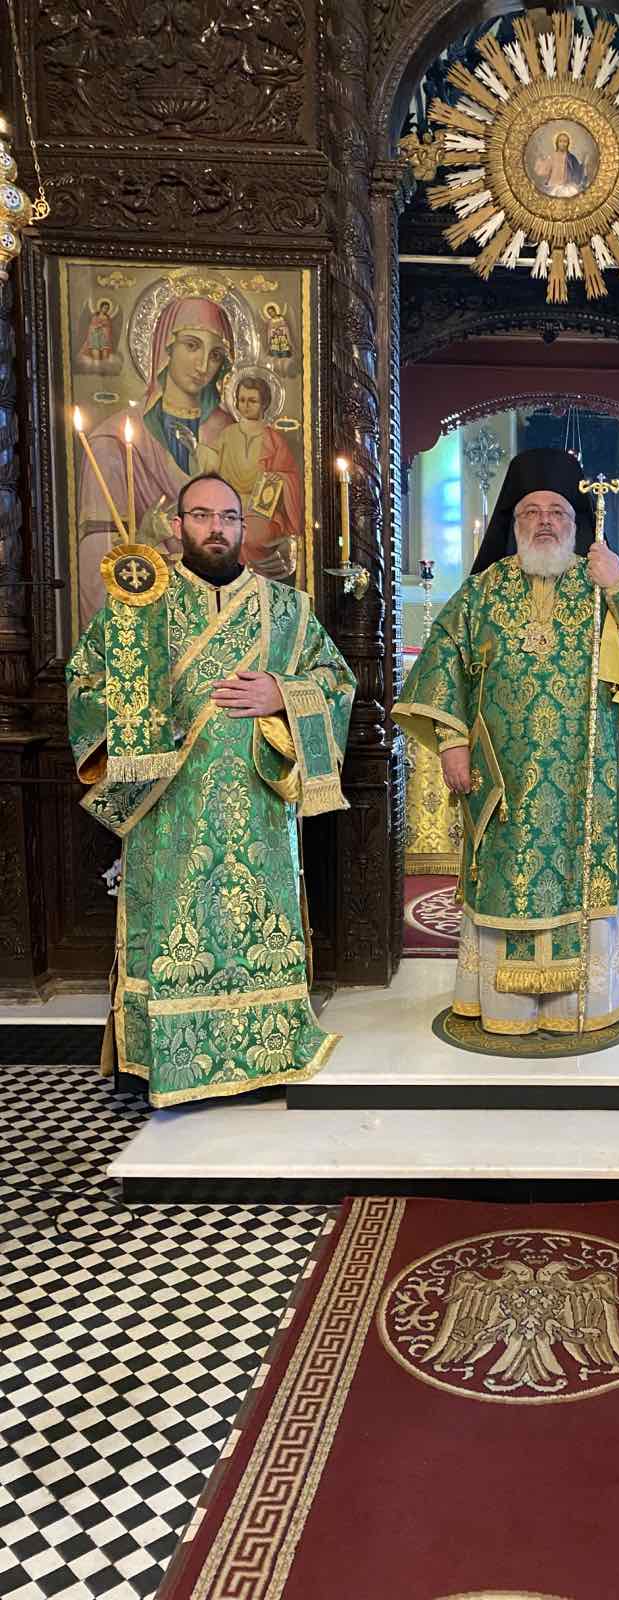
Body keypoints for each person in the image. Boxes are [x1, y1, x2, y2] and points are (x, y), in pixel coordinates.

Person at [65, 473, 356, 1107]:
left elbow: (335, 680)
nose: (216, 528)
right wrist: (136, 716)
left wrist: (284, 692)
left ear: (242, 528)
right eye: (201, 516)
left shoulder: (287, 608)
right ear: (178, 525)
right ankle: (163, 1061)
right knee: (172, 931)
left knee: (256, 929)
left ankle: (265, 1053)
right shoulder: (139, 607)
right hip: (169, 804)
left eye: (228, 517)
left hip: (257, 804)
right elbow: (85, 680)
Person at [392, 448, 619, 1035]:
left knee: (580, 884)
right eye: (531, 511)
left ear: (576, 522)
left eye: (557, 511)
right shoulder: (482, 592)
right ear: (514, 521)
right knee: (506, 878)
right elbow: (443, 664)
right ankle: (505, 1007)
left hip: (584, 780)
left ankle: (582, 1004)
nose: (545, 521)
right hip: (502, 778)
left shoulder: (600, 586)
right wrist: (451, 742)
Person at [76, 294, 237, 625]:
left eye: (215, 355)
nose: (203, 366)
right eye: (191, 346)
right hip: (153, 618)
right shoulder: (112, 442)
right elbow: (95, 551)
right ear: (165, 348)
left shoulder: (236, 435)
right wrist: (145, 538)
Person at [199, 374, 301, 580]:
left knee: (250, 535)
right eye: (242, 400)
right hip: (227, 507)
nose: (245, 405)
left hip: (261, 511)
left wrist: (278, 479)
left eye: (252, 401)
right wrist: (196, 450)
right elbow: (211, 471)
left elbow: (290, 477)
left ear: (264, 403)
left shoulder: (274, 440)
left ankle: (254, 582)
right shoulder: (227, 435)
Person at [534, 130, 588, 198]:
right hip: (553, 187)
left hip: (567, 188)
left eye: (565, 141)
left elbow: (577, 173)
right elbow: (543, 171)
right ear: (557, 143)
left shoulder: (571, 158)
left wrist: (583, 164)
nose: (562, 144)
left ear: (568, 144)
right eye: (560, 141)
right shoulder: (552, 156)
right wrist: (540, 159)